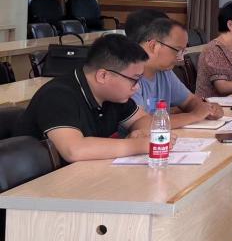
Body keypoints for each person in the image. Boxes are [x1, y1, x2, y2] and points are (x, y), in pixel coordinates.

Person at [15, 34, 154, 162]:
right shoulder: (57, 96)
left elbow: (143, 119)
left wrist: (141, 132)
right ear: (103, 76)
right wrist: (137, 145)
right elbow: (74, 150)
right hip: (41, 178)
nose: (137, 87)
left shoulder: (113, 95)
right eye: (134, 80)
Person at [133, 17, 224, 128]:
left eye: (183, 51)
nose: (180, 58)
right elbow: (141, 124)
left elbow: (189, 100)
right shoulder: (129, 76)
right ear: (153, 46)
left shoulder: (164, 72)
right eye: (177, 50)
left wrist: (207, 109)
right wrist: (194, 116)